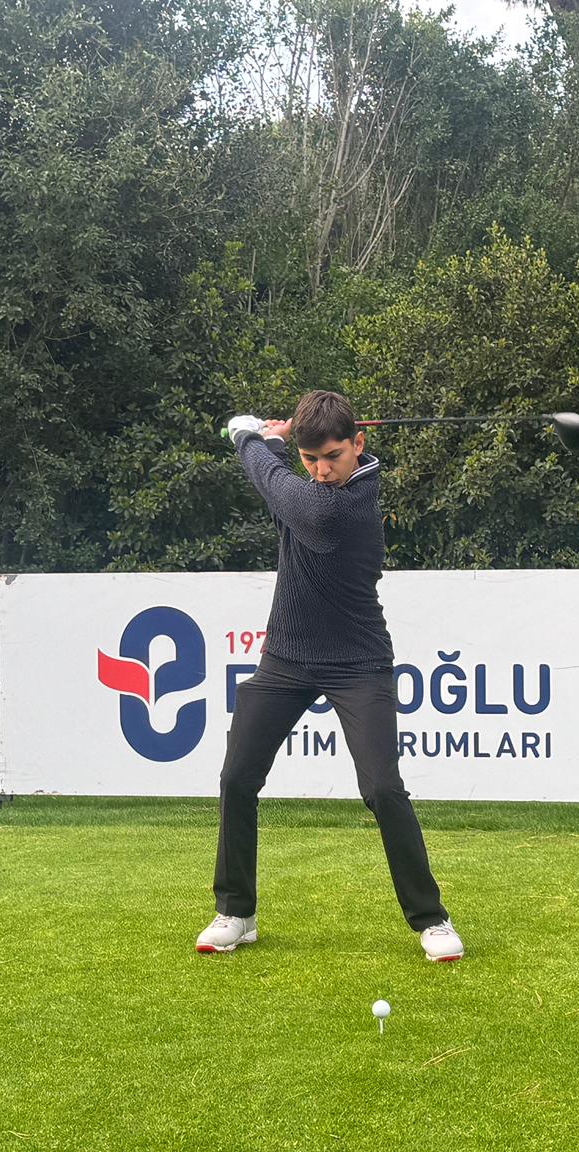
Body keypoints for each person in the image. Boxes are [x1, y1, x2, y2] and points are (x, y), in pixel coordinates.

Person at [196, 390, 463, 962]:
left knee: (382, 788)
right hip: (286, 659)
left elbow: (277, 484)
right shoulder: (309, 493)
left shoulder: (344, 507)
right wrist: (271, 444)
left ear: (358, 444)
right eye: (311, 458)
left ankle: (432, 919)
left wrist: (250, 437)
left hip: (357, 663)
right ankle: (236, 912)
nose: (322, 470)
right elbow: (280, 487)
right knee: (237, 777)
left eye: (333, 456)